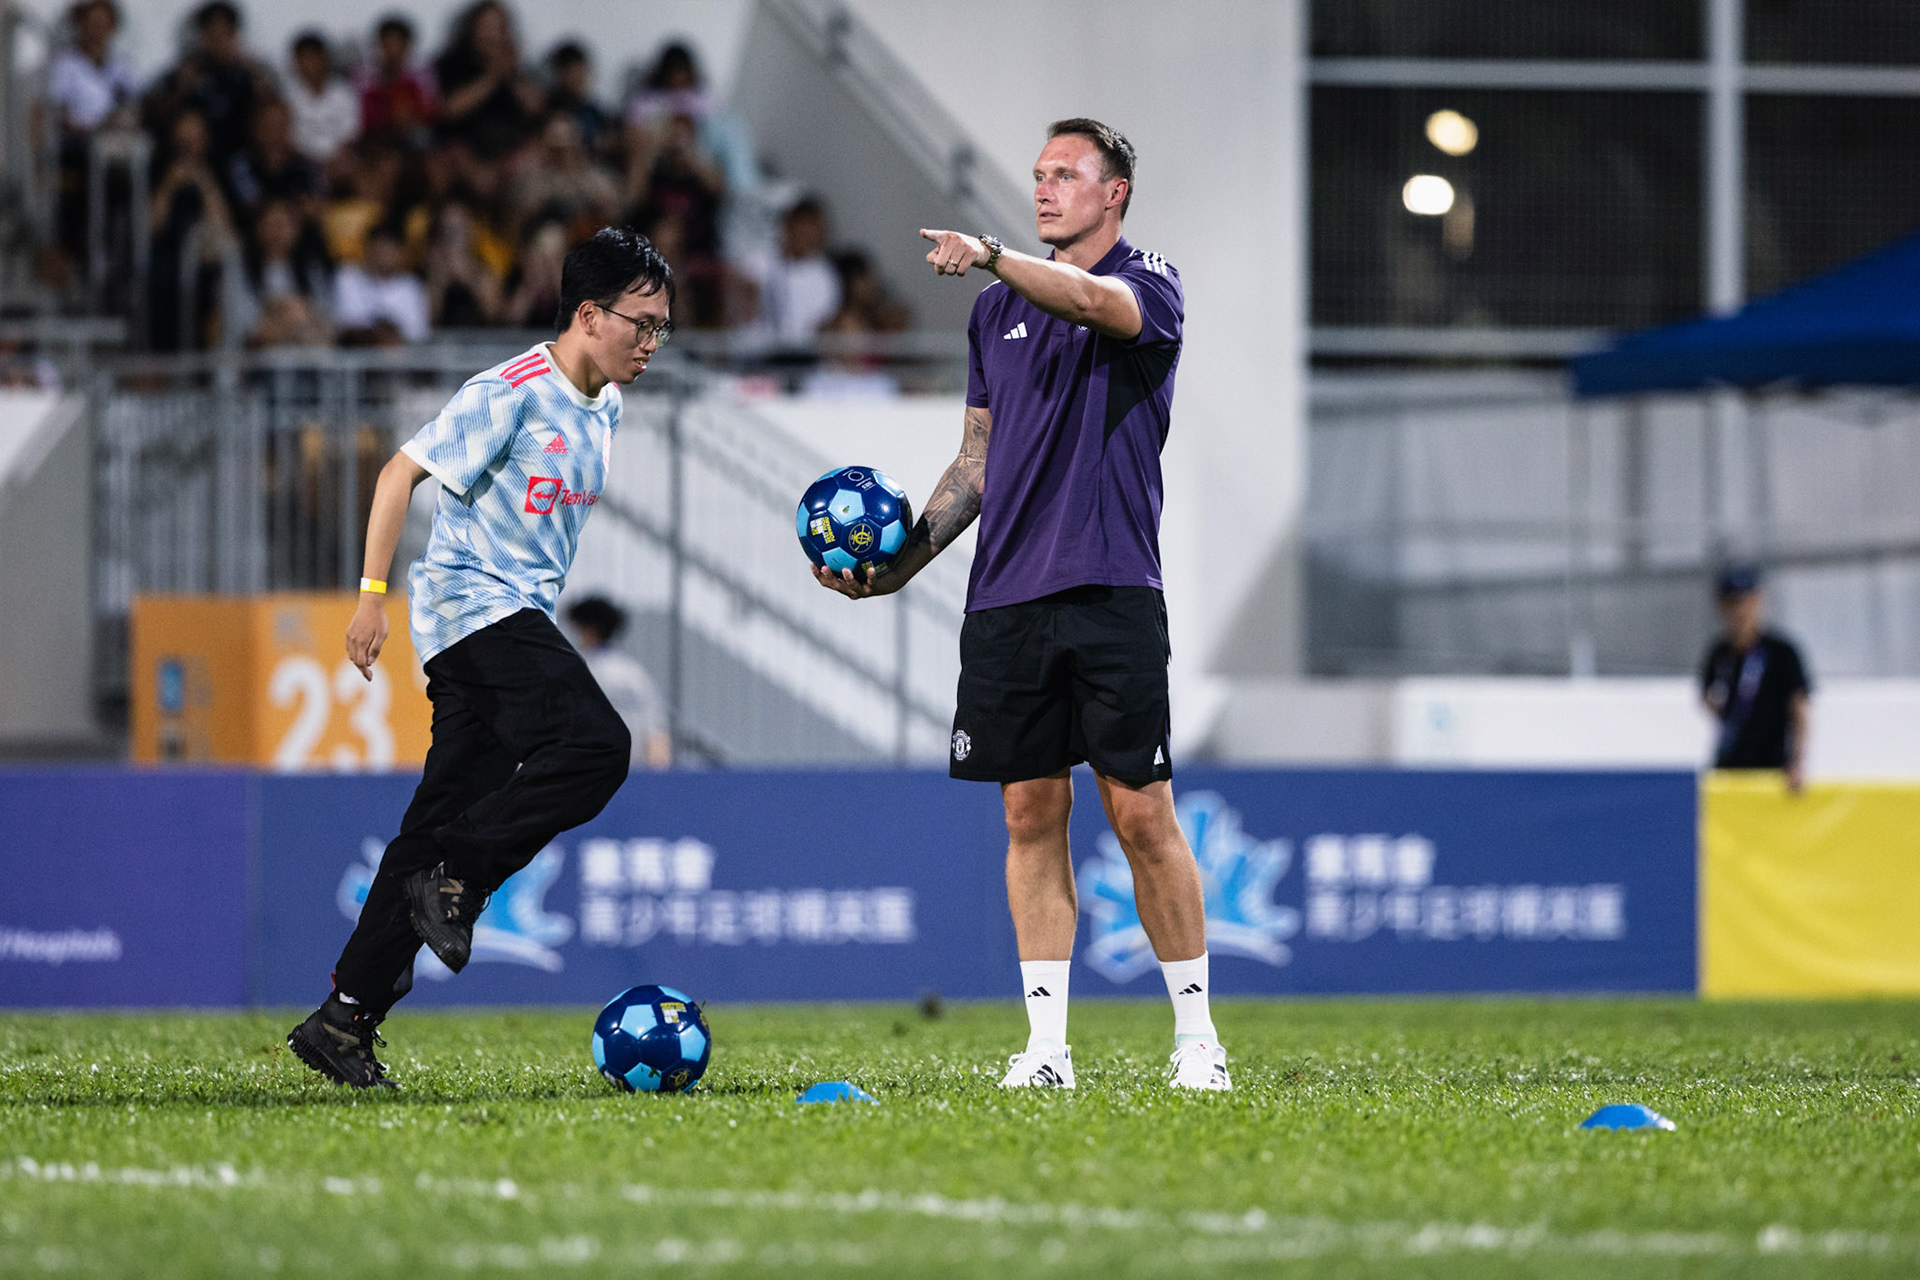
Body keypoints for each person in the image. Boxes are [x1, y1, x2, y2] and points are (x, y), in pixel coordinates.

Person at [814, 119, 1227, 1092]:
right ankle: (1046, 1049)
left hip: (1113, 587)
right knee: (1030, 811)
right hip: (1006, 598)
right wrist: (901, 566)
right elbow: (976, 463)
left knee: (1141, 813)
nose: (1043, 189)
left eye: (1067, 175)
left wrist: (995, 255)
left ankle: (1197, 1037)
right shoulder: (991, 316)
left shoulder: (1148, 281)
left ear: (1114, 192)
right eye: (1038, 174)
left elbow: (1095, 302)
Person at [288, 227, 675, 1088]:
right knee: (597, 747)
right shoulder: (510, 392)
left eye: (661, 328)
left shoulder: (605, 404)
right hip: (473, 608)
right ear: (586, 313)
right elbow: (398, 474)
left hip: (510, 614)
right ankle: (459, 878)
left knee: (429, 827)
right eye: (640, 324)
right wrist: (368, 598)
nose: (651, 343)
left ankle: (345, 1017)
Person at [1701, 565, 1812, 792]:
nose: (1739, 610)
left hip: (1772, 770)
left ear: (1757, 600)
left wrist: (1797, 762)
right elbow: (1706, 695)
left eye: (1745, 601)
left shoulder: (1782, 652)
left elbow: (1799, 709)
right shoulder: (1719, 653)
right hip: (1729, 767)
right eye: (1731, 603)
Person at [565, 595, 671, 769]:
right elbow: (656, 734)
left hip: (587, 775)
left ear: (589, 629)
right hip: (632, 773)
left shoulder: (577, 671)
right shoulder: (635, 674)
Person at [332, 221, 430, 345]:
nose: (382, 255)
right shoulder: (347, 276)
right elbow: (348, 326)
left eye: (388, 250)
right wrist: (381, 335)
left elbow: (417, 334)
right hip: (356, 356)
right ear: (367, 248)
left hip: (403, 359)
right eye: (377, 248)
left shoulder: (411, 285)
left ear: (400, 253)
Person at [285, 32, 360, 166]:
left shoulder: (344, 93)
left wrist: (334, 160)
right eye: (303, 59)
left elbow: (351, 133)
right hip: (301, 162)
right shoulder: (288, 97)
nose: (309, 65)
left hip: (340, 162)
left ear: (325, 59)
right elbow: (290, 137)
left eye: (313, 58)